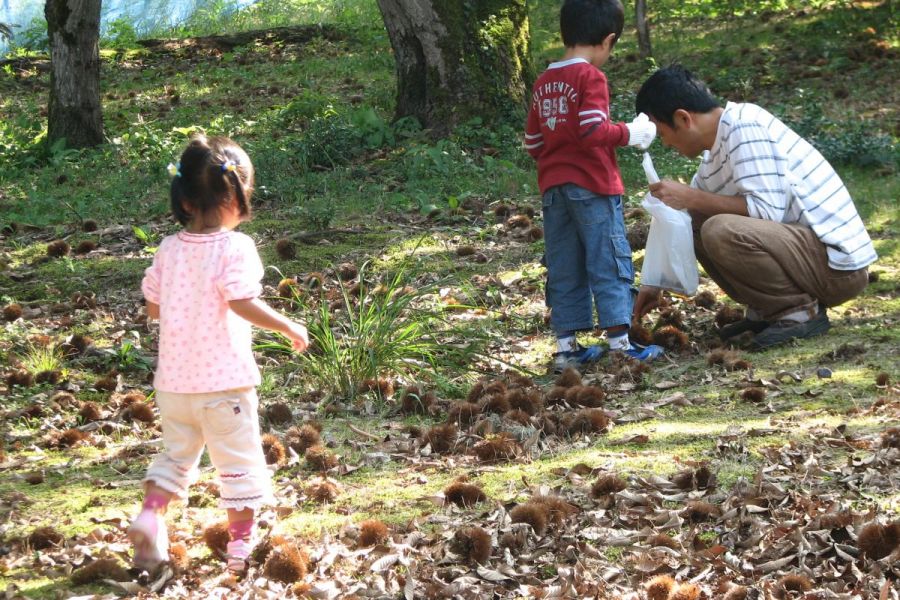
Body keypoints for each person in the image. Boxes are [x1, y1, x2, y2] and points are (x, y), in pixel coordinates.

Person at [129, 135, 309, 574]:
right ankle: (240, 549)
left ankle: (151, 515)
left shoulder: (168, 250)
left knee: (175, 456)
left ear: (185, 201)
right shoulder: (235, 247)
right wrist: (285, 324)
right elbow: (240, 300)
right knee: (239, 464)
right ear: (237, 197)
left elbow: (153, 307)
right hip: (224, 383)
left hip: (174, 385)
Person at [632, 65, 876, 348]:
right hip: (810, 259)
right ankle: (769, 310)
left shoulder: (744, 126)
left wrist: (692, 197)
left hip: (838, 269)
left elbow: (765, 212)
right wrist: (654, 283)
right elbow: (687, 217)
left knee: (719, 228)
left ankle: (796, 313)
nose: (666, 143)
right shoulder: (715, 154)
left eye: (662, 133)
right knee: (693, 220)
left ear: (683, 118)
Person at [525, 0, 663, 372]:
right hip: (594, 187)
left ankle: (566, 347)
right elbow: (592, 130)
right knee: (608, 258)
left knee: (564, 264)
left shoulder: (544, 81)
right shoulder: (590, 78)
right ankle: (621, 343)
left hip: (554, 189)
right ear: (608, 39)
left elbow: (533, 144)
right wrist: (630, 133)